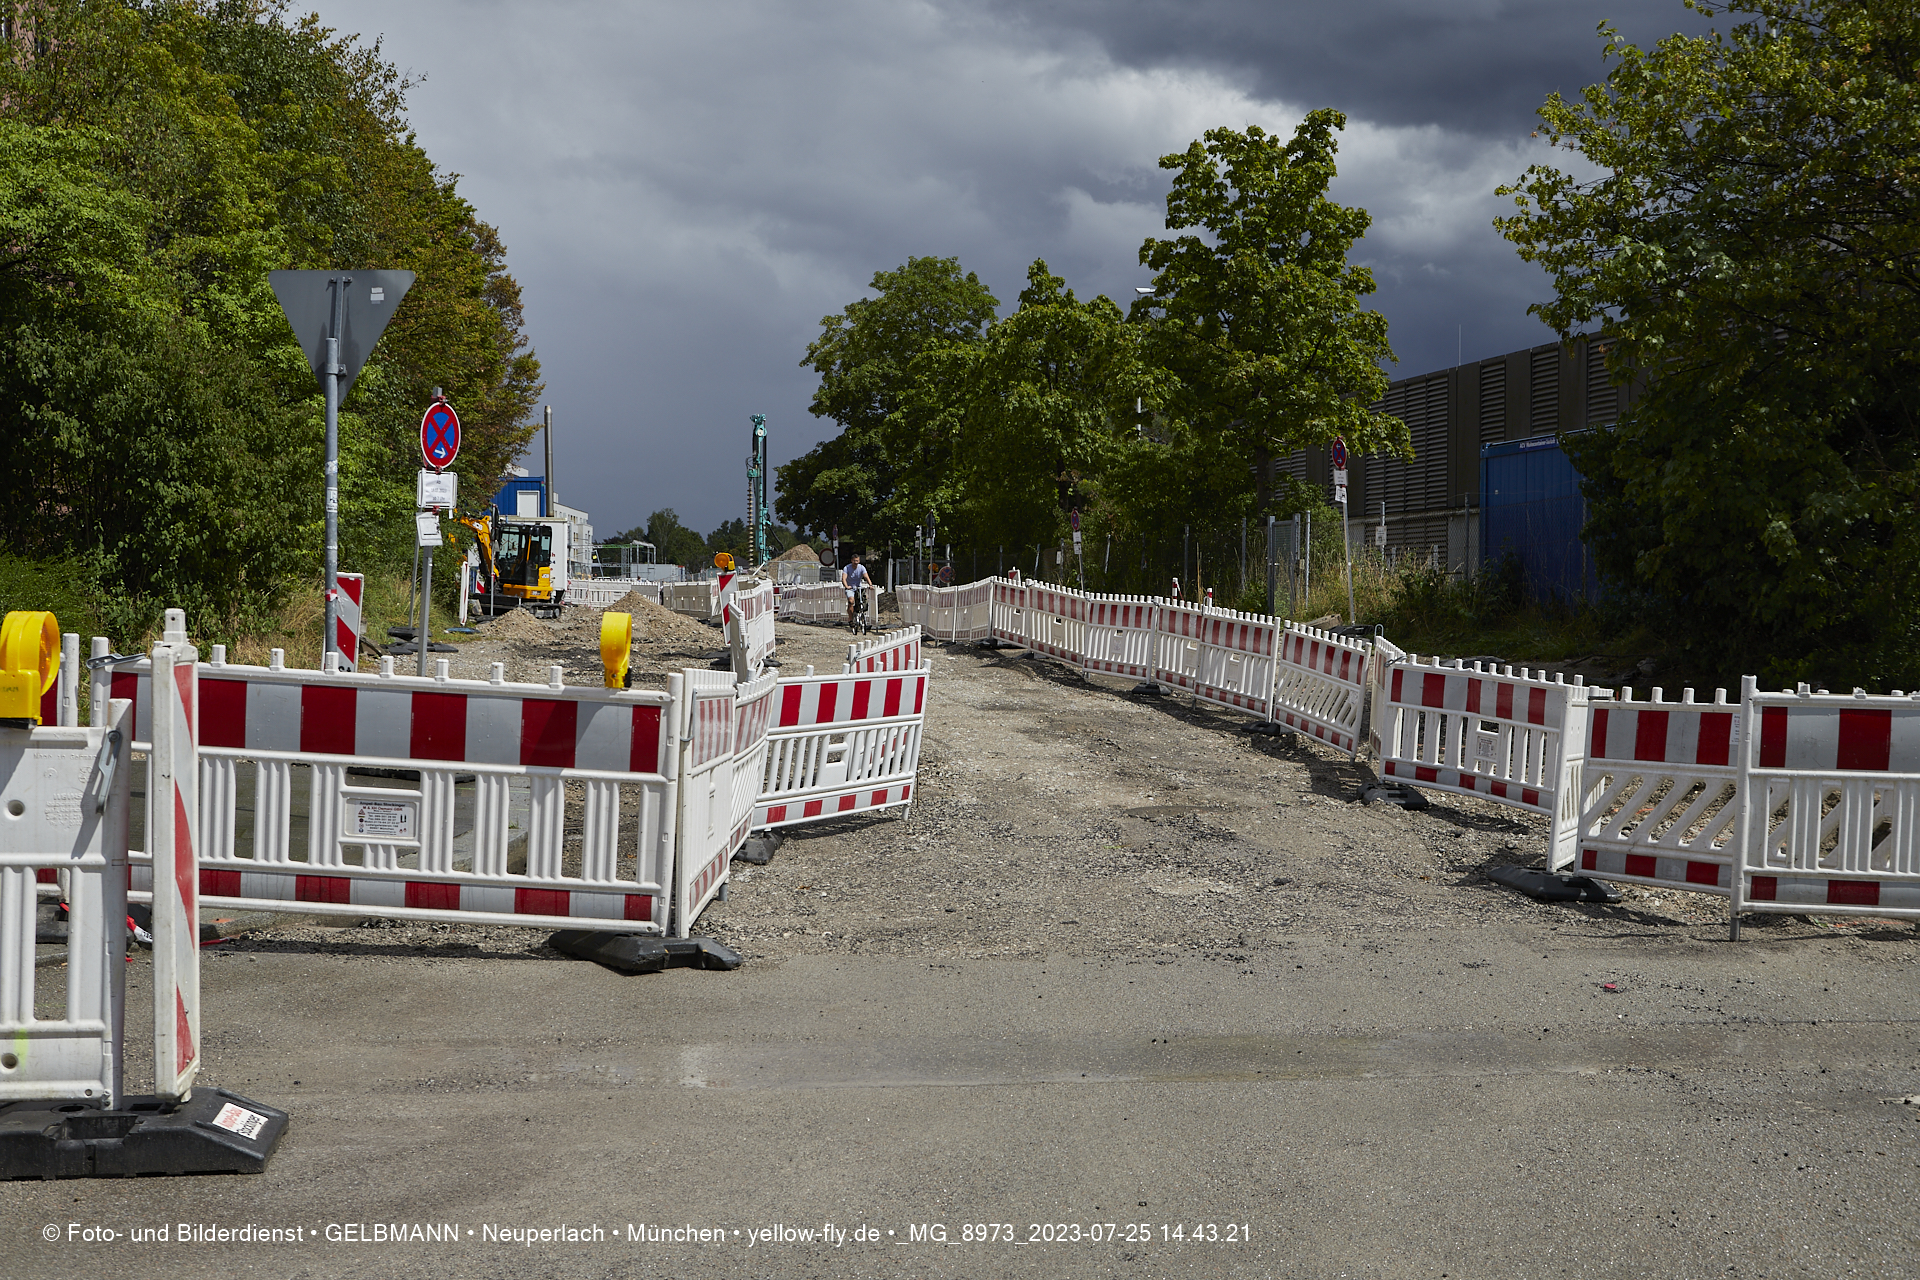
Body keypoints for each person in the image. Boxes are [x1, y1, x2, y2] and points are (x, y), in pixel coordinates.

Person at [840, 552, 871, 630]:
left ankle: (862, 619)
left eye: (857, 561)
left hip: (858, 587)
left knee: (863, 600)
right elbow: (843, 578)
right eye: (854, 561)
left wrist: (870, 584)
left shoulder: (861, 567)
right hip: (850, 588)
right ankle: (850, 620)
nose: (855, 563)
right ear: (851, 561)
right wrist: (847, 586)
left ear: (859, 561)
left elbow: (866, 576)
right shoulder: (847, 568)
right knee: (851, 601)